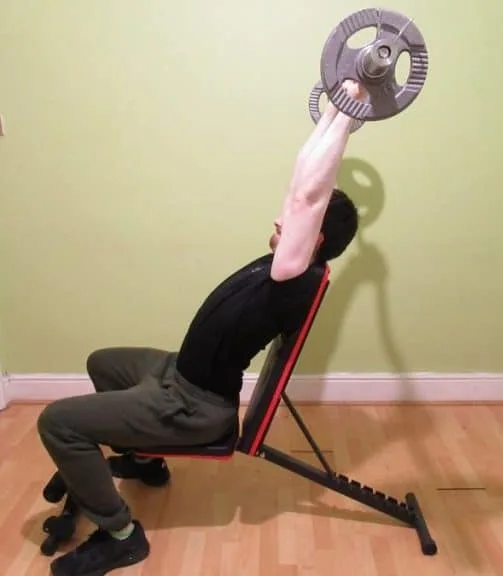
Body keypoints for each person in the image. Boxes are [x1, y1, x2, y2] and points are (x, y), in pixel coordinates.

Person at [36, 80, 368, 575]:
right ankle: (146, 462)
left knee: (56, 421)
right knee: (102, 362)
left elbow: (307, 197)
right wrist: (334, 115)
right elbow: (302, 185)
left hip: (193, 406)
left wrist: (346, 117)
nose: (282, 216)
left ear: (313, 237)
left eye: (296, 218)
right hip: (177, 373)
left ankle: (121, 535)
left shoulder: (294, 275)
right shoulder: (289, 260)